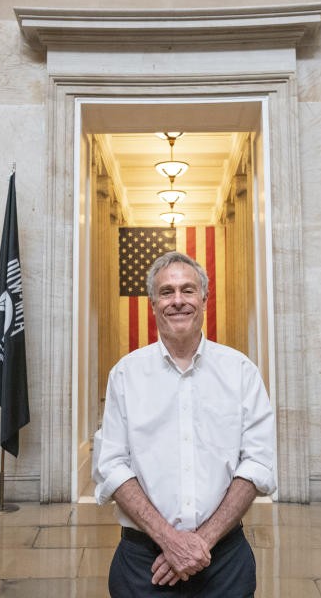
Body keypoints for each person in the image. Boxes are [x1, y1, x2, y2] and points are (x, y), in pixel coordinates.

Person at [93, 251, 276, 597]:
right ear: (153, 304)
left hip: (224, 565)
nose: (178, 300)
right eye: (167, 292)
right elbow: (112, 465)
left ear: (204, 299)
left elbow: (258, 463)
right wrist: (168, 539)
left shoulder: (240, 372)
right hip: (143, 566)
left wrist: (198, 543)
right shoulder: (125, 375)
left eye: (188, 290)